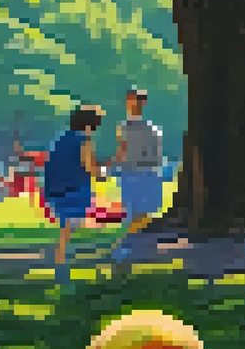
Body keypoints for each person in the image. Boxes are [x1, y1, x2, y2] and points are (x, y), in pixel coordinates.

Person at [46, 105, 105, 286]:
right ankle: (61, 269)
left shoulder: (61, 138)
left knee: (68, 227)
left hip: (55, 188)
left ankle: (61, 265)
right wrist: (101, 173)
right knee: (68, 229)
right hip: (74, 188)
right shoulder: (84, 139)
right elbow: (88, 166)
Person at [111, 88, 165, 261]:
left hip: (138, 172)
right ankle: (132, 247)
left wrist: (109, 165)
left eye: (133, 101)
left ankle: (130, 247)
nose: (130, 104)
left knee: (139, 213)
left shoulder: (128, 128)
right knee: (138, 213)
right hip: (139, 172)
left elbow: (122, 152)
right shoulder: (151, 129)